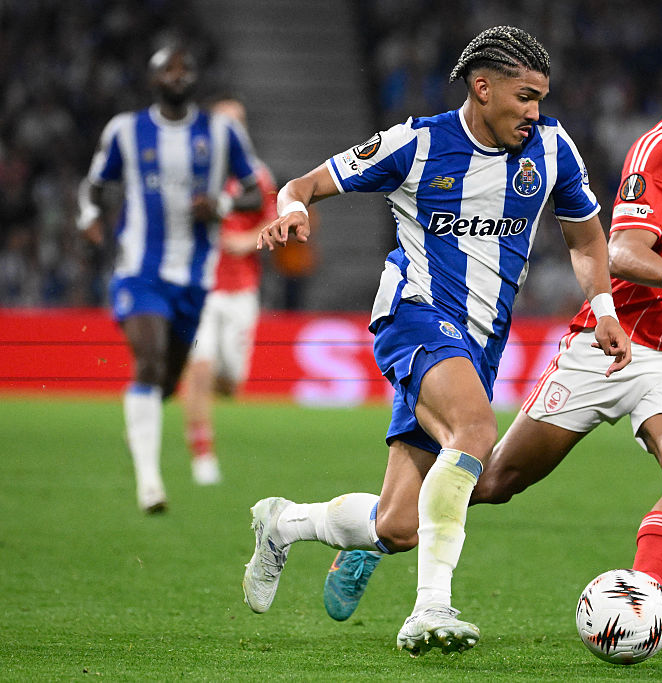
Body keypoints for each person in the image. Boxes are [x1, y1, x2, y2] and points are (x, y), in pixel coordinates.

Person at [324, 10, 662, 635]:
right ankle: (376, 534)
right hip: (617, 340)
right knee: (488, 479)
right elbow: (619, 247)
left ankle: (643, 593)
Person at [240, 25, 631, 657]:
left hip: (479, 342)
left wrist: (604, 306)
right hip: (413, 314)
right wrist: (294, 210)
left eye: (541, 99)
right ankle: (430, 610)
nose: (535, 113)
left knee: (398, 526)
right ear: (483, 87)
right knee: (475, 431)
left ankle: (284, 523)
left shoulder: (554, 149)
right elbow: (303, 184)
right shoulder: (417, 144)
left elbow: (586, 238)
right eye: (525, 97)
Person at [78, 44, 263, 513]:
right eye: (168, 69)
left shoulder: (222, 134)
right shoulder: (126, 130)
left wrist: (219, 205)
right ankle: (150, 483)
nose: (177, 76)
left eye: (185, 69)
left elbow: (251, 195)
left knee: (169, 374)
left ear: (195, 78)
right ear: (153, 77)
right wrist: (87, 215)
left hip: (197, 279)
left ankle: (141, 425)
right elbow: (96, 183)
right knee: (150, 359)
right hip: (140, 271)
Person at [180, 96, 278, 486]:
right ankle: (203, 456)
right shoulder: (193, 171)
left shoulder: (256, 175)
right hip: (200, 287)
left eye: (237, 122)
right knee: (199, 370)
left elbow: (273, 223)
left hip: (241, 289)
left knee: (230, 382)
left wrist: (247, 239)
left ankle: (198, 383)